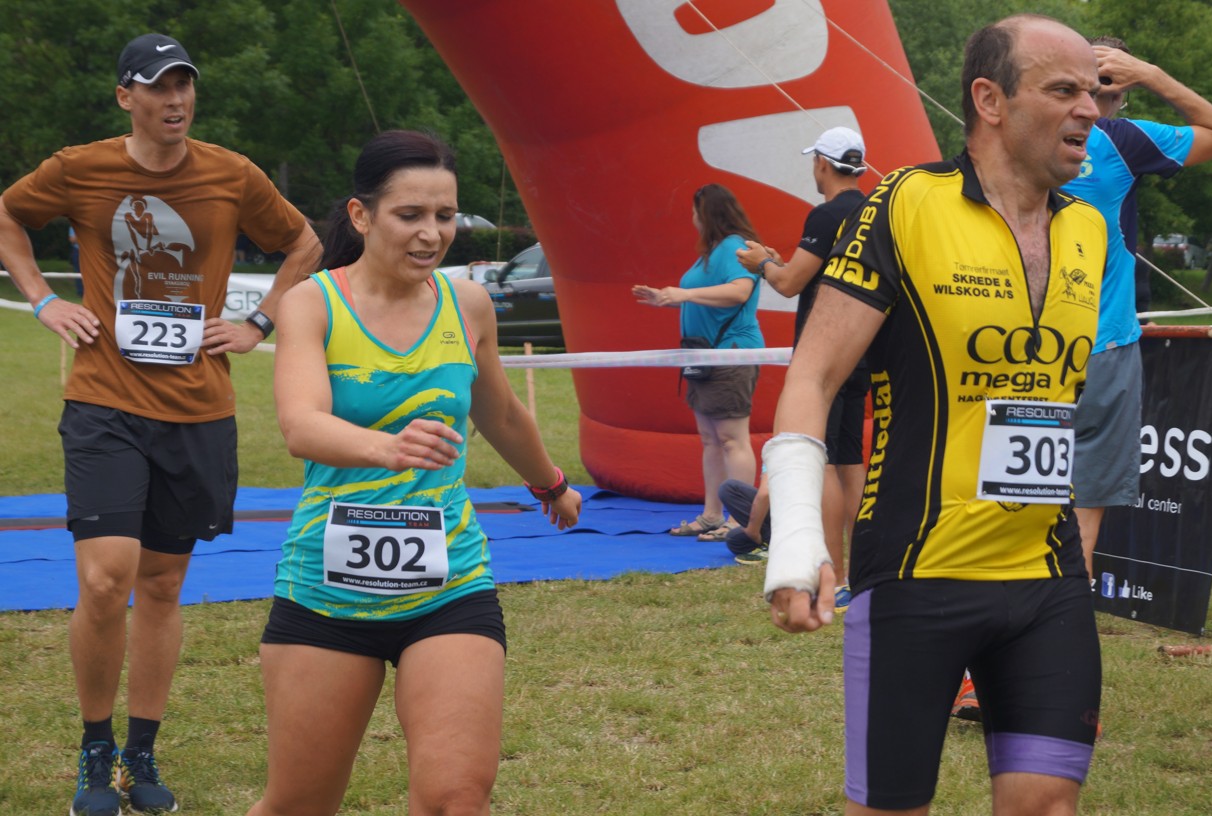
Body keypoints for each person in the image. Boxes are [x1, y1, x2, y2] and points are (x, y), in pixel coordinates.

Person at [763, 14, 1106, 814]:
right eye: (1064, 89)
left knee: (1047, 803)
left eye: (1094, 91)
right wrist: (798, 539)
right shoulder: (908, 203)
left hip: (1047, 572)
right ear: (990, 100)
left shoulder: (1087, 229)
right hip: (920, 571)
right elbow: (813, 374)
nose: (1090, 109)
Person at [0, 33, 320, 816]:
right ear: (126, 97)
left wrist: (258, 321)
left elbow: (304, 243)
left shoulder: (231, 173)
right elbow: (7, 215)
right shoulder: (79, 168)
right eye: (158, 86)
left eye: (184, 85)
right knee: (105, 577)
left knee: (164, 583)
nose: (175, 100)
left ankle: (140, 753)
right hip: (104, 402)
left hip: (197, 409)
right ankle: (94, 750)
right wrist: (44, 300)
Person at [244, 130, 581, 816]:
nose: (432, 234)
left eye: (445, 215)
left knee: (457, 798)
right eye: (410, 215)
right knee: (298, 805)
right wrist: (386, 448)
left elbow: (501, 412)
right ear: (362, 215)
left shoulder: (468, 305)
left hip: (449, 586)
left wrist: (551, 483)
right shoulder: (312, 303)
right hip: (327, 592)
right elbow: (301, 424)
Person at [1061, 36, 1212, 578]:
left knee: (1012, 498)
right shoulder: (1120, 138)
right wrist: (1151, 73)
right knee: (1084, 511)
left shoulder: (1027, 133)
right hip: (1103, 344)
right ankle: (1065, 614)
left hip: (1023, 340)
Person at [725, 128, 870, 605]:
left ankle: (836, 575)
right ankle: (860, 575)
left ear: (823, 164)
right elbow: (820, 275)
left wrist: (760, 263)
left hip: (824, 353)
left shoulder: (826, 214)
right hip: (862, 348)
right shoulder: (874, 210)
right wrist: (777, 263)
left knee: (822, 462)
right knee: (850, 464)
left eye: (814, 163)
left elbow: (789, 284)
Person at [632, 184, 763, 540]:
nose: (692, 218)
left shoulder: (734, 246)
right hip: (703, 355)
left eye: (694, 211)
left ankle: (740, 521)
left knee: (732, 438)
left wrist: (686, 293)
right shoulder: (712, 252)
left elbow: (739, 291)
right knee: (710, 439)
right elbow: (703, 298)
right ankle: (711, 515)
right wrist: (666, 298)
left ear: (707, 213)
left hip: (730, 353)